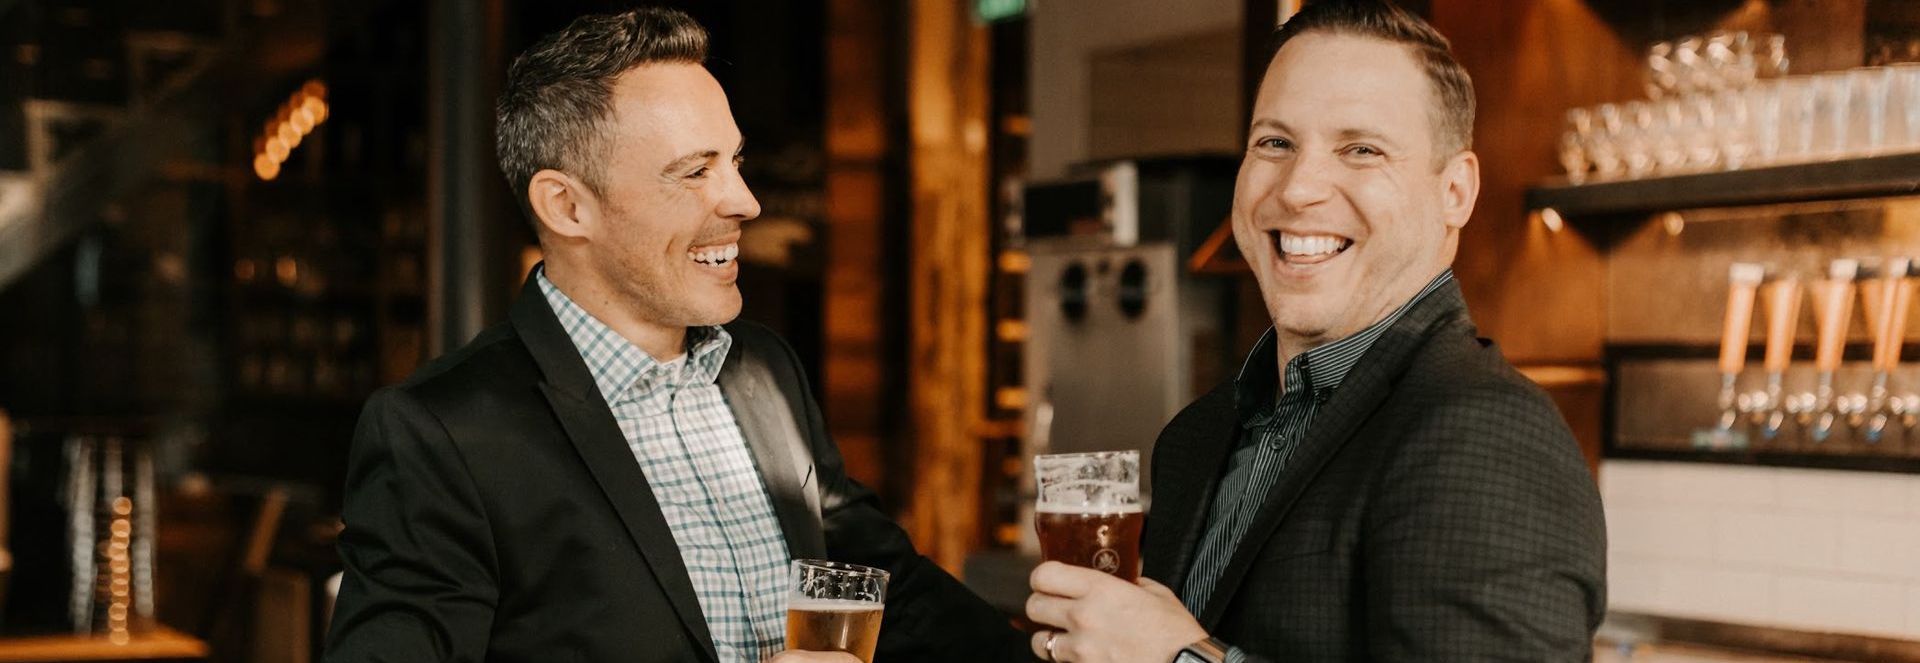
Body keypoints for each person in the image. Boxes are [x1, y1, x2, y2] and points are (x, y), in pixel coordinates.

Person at [324, 8, 1029, 663]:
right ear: (567, 205)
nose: (743, 200)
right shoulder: (437, 432)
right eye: (696, 171)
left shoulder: (763, 369)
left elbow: (886, 585)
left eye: (735, 160)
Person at [1022, 1, 1606, 661]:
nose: (1299, 188)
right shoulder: (1195, 438)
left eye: (1361, 149)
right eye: (1275, 142)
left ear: (1456, 192)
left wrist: (1179, 659)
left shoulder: (1491, 436)